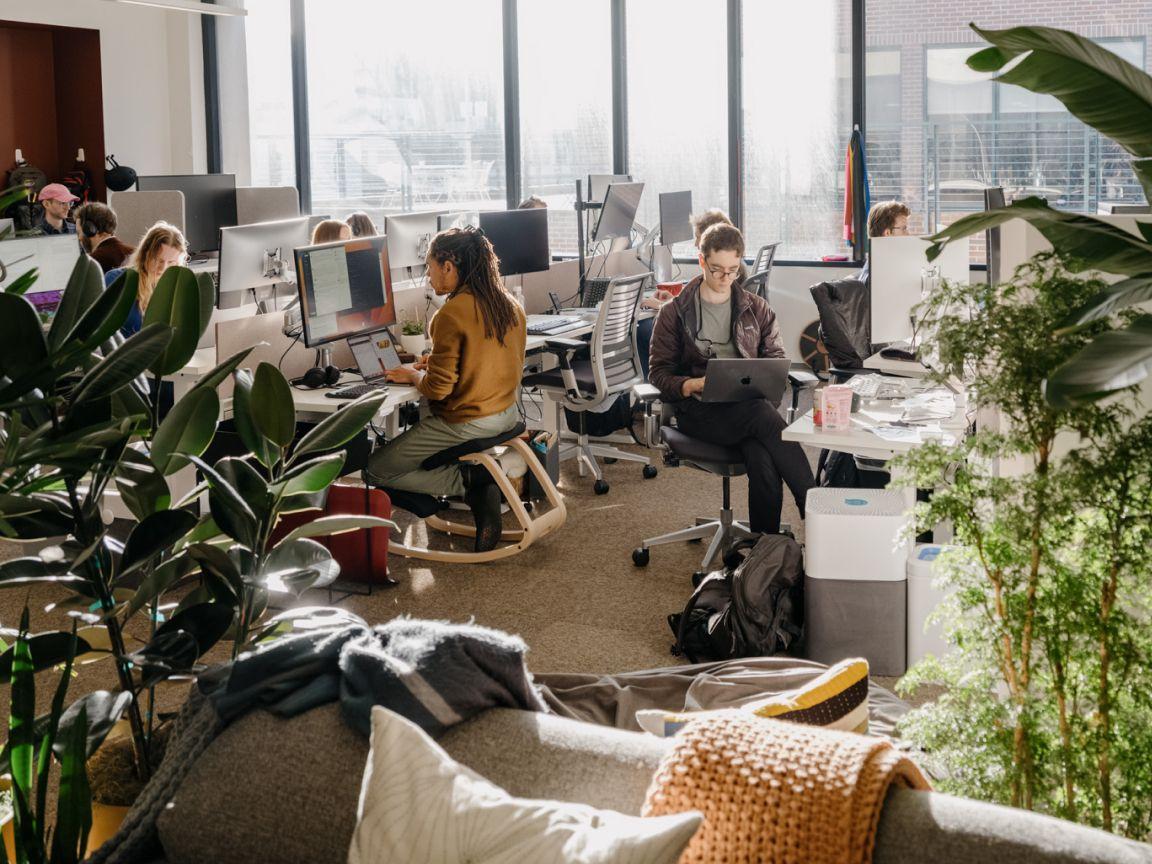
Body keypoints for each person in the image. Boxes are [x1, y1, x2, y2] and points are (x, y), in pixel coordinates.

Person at [367, 227, 527, 553]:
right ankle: (474, 482)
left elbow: (438, 391)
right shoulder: (508, 303)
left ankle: (469, 482)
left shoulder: (451, 314)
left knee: (374, 470)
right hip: (505, 414)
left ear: (449, 267)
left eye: (429, 267)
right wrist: (434, 361)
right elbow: (486, 357)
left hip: (467, 420)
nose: (428, 277)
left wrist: (412, 376)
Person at [648, 223, 814, 536]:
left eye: (733, 270)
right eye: (717, 270)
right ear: (701, 261)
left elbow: (775, 364)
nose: (726, 279)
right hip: (699, 412)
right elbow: (658, 374)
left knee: (761, 453)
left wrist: (762, 388)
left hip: (748, 410)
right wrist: (690, 385)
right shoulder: (675, 313)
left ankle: (763, 547)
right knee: (761, 418)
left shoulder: (757, 309)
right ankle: (814, 506)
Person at [636, 208, 738, 378]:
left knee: (643, 330)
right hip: (704, 332)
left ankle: (655, 385)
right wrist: (674, 300)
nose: (696, 243)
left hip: (704, 338)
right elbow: (701, 303)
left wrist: (663, 306)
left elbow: (707, 312)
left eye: (698, 237)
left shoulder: (723, 271)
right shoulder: (732, 265)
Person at [104, 222, 188, 337]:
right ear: (145, 254)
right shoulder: (117, 280)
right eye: (159, 260)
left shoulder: (178, 289)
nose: (163, 268)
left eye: (171, 262)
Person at [859, 201, 911, 283]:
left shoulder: (889, 264)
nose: (908, 234)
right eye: (904, 229)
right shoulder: (875, 279)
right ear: (887, 233)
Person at [74, 202, 134, 272]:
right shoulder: (135, 253)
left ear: (90, 229)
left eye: (79, 233)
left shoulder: (92, 262)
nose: (79, 238)